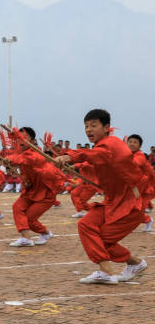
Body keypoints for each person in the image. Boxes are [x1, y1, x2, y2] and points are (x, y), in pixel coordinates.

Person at [55, 109, 146, 284]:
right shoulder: (102, 146)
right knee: (86, 224)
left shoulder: (111, 144)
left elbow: (96, 155)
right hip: (111, 201)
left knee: (101, 240)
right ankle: (130, 264)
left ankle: (113, 270)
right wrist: (75, 164)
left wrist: (70, 156)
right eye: (86, 126)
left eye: (93, 125)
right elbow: (94, 160)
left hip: (128, 203)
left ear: (106, 127)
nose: (88, 129)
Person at [4, 127, 65, 247]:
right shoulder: (20, 154)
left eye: (24, 137)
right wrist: (23, 179)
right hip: (31, 190)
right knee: (17, 207)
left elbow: (23, 159)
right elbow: (23, 169)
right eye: (18, 137)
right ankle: (26, 239)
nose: (20, 140)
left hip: (45, 193)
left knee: (29, 219)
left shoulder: (35, 154)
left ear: (32, 142)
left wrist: (9, 159)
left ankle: (45, 233)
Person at [126, 134, 155, 232]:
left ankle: (148, 220)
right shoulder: (128, 155)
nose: (132, 144)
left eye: (135, 142)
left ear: (140, 146)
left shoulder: (140, 155)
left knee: (135, 210)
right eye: (130, 142)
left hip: (147, 187)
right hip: (137, 188)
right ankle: (147, 218)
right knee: (129, 209)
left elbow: (134, 164)